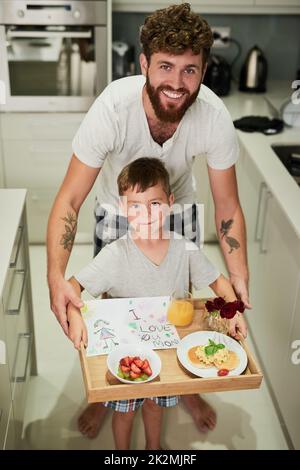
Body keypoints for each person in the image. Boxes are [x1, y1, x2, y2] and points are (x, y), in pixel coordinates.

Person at [47, 3, 251, 438]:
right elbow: (68, 199)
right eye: (165, 67)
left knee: (176, 302)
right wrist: (55, 278)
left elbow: (228, 207)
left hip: (178, 209)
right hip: (116, 211)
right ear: (143, 64)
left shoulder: (213, 117)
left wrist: (237, 283)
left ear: (204, 70)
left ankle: (184, 386)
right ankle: (108, 389)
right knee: (107, 308)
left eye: (190, 71)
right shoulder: (112, 110)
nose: (177, 84)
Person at [66, 157, 247, 450]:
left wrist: (235, 310)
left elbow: (219, 282)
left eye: (154, 204)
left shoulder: (184, 248)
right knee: (124, 414)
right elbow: (72, 288)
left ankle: (154, 448)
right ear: (124, 208)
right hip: (125, 352)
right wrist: (74, 315)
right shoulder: (114, 254)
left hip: (167, 353)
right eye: (135, 205)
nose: (146, 213)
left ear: (170, 202)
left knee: (155, 406)